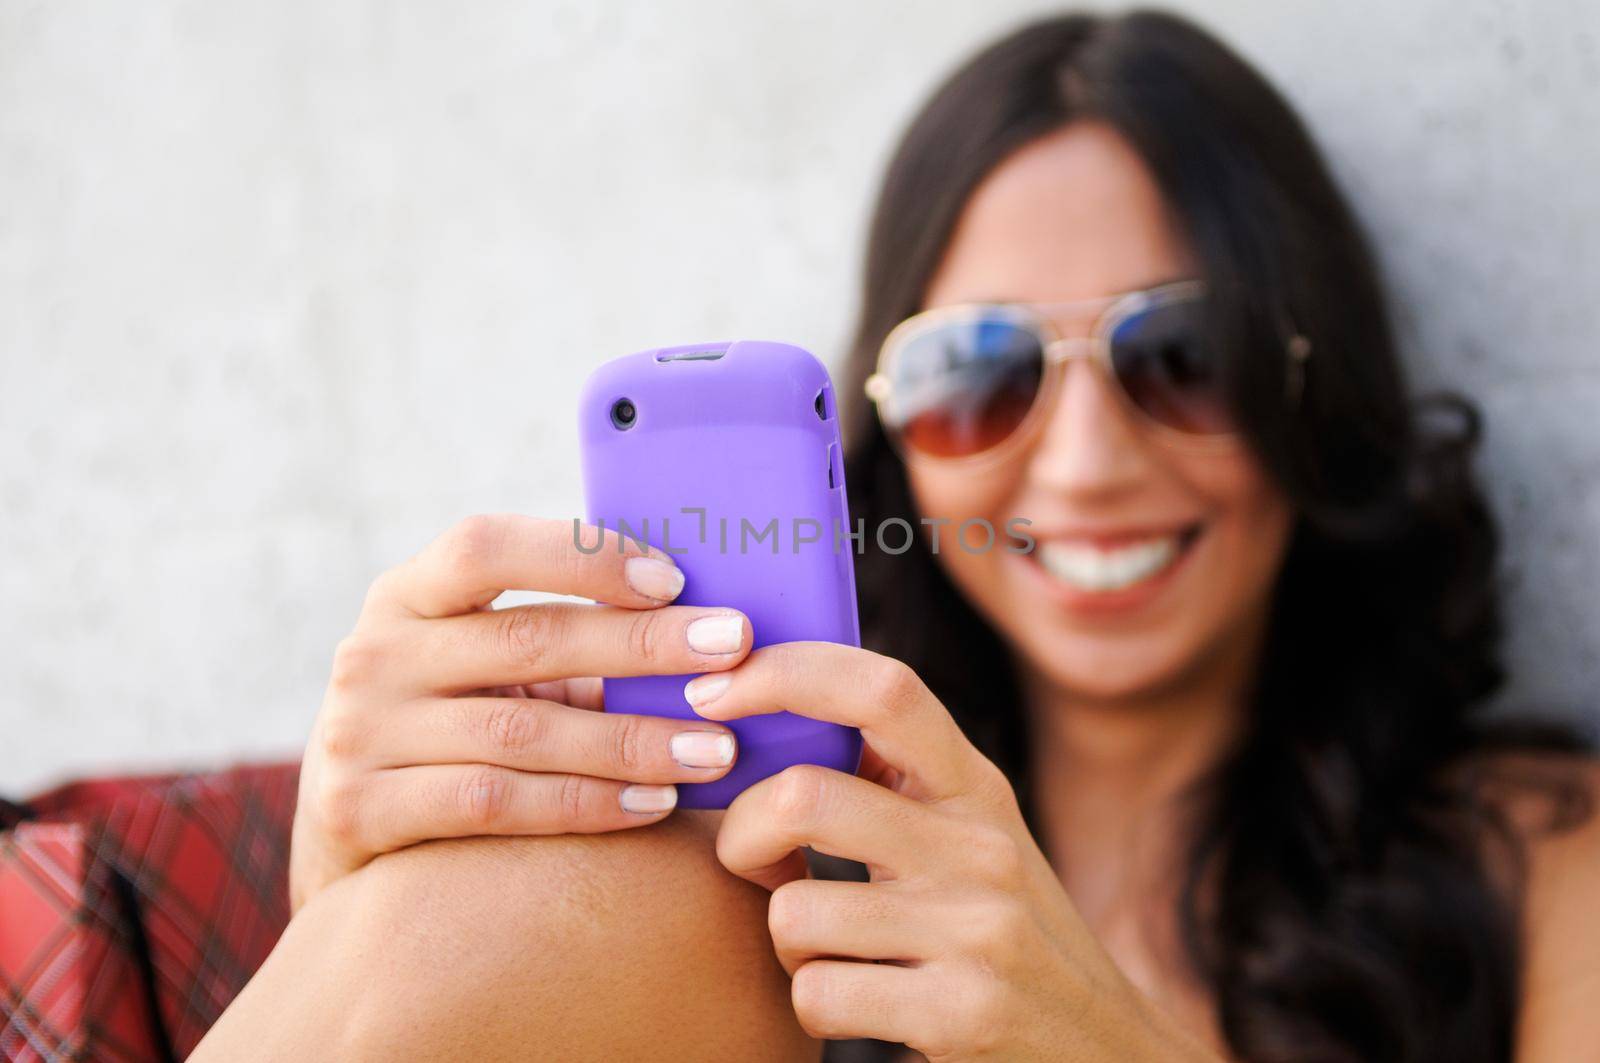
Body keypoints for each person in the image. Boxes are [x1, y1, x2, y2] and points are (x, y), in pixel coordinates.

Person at [194, 10, 1600, 1061]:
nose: (1092, 462)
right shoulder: (754, 890)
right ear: (881, 434)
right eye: (979, 375)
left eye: (1186, 353)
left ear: (1314, 378)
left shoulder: (1545, 870)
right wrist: (340, 895)